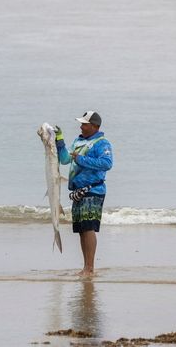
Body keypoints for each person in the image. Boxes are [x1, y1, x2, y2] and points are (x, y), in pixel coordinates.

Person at [54, 111, 113, 277]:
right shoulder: (78, 141)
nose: (81, 126)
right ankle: (86, 267)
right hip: (78, 192)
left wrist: (81, 159)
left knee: (88, 228)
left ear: (94, 126)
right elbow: (65, 159)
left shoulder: (102, 143)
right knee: (81, 229)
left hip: (93, 190)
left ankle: (90, 268)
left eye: (84, 124)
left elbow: (107, 163)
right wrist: (59, 141)